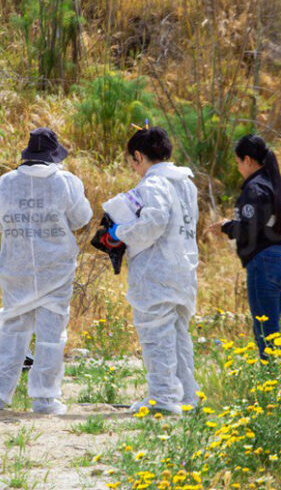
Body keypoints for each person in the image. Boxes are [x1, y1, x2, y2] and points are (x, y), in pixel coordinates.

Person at [0, 127, 93, 415]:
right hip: (56, 271)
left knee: (11, 334)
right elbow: (81, 218)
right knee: (51, 337)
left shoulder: (6, 182)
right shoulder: (66, 182)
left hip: (17, 270)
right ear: (53, 156)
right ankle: (45, 399)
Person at [107, 127, 199, 415]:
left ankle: (162, 398)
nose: (134, 169)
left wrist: (119, 232)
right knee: (178, 337)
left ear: (138, 156)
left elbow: (154, 222)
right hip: (183, 271)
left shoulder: (153, 185)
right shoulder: (186, 183)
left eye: (132, 162)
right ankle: (186, 397)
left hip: (156, 273)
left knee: (156, 337)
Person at [207, 134, 281, 363]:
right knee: (273, 329)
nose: (238, 168)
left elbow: (250, 229)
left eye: (237, 163)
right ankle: (279, 383)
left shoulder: (255, 188)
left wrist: (227, 226)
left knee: (266, 333)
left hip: (265, 264)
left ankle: (275, 386)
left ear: (247, 160)